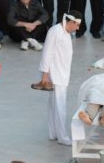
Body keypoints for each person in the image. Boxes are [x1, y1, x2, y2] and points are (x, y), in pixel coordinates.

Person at [31, 11, 82, 145]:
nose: (77, 28)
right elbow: (47, 53)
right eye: (76, 25)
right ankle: (63, 137)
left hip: (62, 74)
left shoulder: (65, 32)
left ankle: (53, 133)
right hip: (55, 75)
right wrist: (45, 75)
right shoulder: (55, 31)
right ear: (71, 22)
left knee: (54, 104)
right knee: (60, 106)